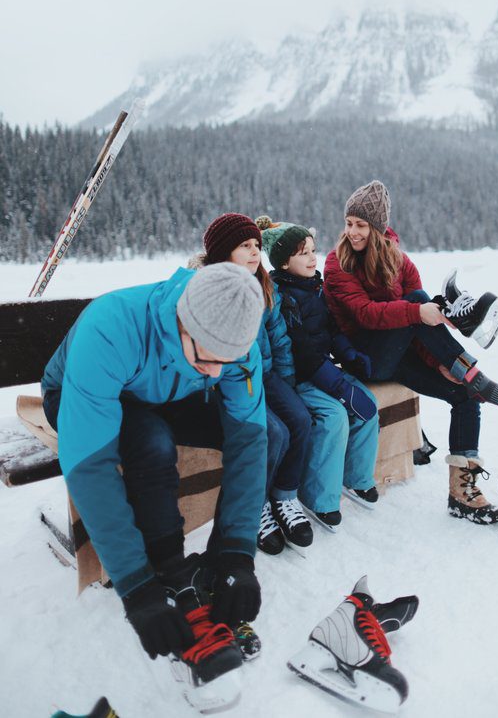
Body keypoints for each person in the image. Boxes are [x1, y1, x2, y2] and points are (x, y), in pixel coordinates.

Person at [41, 263, 266, 698]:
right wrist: (135, 585)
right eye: (208, 357)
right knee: (152, 440)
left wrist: (238, 553)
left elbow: (250, 440)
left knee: (270, 431)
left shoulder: (232, 341)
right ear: (182, 321)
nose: (219, 373)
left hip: (167, 389)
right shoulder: (111, 328)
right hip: (75, 395)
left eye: (229, 360)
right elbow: (89, 464)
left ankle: (216, 575)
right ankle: (169, 571)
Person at [323, 180, 498, 525]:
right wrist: (419, 313)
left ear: (378, 228)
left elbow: (421, 330)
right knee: (419, 303)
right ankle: (468, 350)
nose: (352, 232)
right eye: (349, 224)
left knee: (464, 395)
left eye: (361, 226)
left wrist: (439, 362)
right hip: (366, 357)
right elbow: (366, 315)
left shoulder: (400, 263)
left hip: (401, 354)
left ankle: (462, 493)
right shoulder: (336, 263)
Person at [192, 212, 314, 556]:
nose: (254, 252)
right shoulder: (205, 286)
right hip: (226, 382)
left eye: (257, 246)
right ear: (222, 252)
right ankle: (255, 505)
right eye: (244, 246)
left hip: (266, 373)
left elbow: (278, 337)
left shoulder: (264, 284)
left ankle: (285, 496)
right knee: (274, 433)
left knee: (301, 420)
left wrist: (287, 383)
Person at [257, 216, 380, 532]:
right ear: (284, 263)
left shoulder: (316, 288)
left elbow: (331, 331)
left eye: (313, 250)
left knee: (367, 405)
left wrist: (349, 355)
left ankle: (356, 478)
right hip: (300, 378)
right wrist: (338, 385)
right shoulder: (283, 298)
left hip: (324, 370)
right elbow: (300, 351)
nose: (313, 258)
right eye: (303, 253)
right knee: (334, 416)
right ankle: (317, 497)